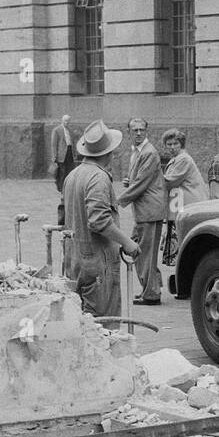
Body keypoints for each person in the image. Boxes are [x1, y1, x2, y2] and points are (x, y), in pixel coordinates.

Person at [61, 121, 139, 319]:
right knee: (103, 326)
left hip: (74, 260)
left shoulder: (72, 175)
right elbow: (98, 221)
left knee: (80, 324)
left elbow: (63, 216)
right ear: (109, 153)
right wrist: (127, 242)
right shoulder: (98, 178)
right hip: (97, 263)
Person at [119, 117, 166, 305]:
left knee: (141, 251)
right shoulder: (138, 151)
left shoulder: (149, 152)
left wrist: (118, 201)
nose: (138, 133)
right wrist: (128, 182)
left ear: (146, 131)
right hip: (146, 209)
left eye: (141, 130)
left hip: (149, 210)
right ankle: (152, 289)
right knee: (142, 250)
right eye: (135, 130)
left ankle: (151, 293)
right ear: (129, 132)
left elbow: (141, 183)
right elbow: (138, 179)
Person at [159, 129, 207, 269]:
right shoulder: (177, 159)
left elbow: (170, 182)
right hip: (179, 206)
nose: (172, 147)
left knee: (184, 248)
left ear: (181, 144)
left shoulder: (184, 159)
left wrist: (146, 179)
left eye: (175, 143)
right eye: (169, 144)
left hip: (189, 206)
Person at [52, 113, 77, 223]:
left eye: (68, 121)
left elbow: (73, 142)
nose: (67, 123)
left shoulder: (70, 131)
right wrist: (54, 157)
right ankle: (62, 188)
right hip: (61, 154)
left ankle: (68, 187)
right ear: (62, 121)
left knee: (70, 172)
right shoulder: (57, 130)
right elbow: (54, 144)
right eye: (66, 121)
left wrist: (75, 154)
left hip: (69, 153)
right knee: (61, 172)